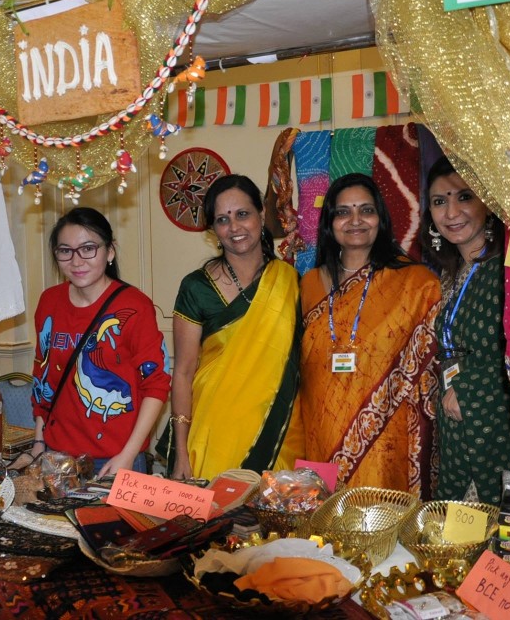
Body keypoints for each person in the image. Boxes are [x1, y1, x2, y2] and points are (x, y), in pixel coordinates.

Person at [300, 173, 440, 497]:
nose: (355, 221)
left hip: (387, 440)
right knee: (325, 521)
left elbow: (430, 371)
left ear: (381, 218)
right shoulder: (309, 284)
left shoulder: (416, 283)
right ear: (329, 223)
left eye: (366, 210)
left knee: (382, 521)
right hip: (319, 432)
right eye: (343, 212)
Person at [159, 174, 304, 480]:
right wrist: (181, 450)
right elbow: (183, 372)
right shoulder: (196, 287)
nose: (234, 227)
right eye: (222, 219)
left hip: (278, 433)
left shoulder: (290, 281)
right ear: (213, 229)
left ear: (261, 215)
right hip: (212, 435)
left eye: (242, 214)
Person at [25, 207, 169, 479]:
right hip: (57, 456)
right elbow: (43, 375)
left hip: (115, 458)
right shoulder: (49, 302)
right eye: (65, 251)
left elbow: (156, 385)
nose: (76, 261)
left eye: (88, 249)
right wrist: (39, 442)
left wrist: (128, 455)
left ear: (109, 251)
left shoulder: (134, 306)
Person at [424, 157, 510, 504]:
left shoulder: (509, 270)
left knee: (503, 522)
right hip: (457, 427)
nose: (451, 212)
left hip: (497, 426)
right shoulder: (450, 275)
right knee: (457, 526)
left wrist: (468, 387)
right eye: (439, 201)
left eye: (464, 197)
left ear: (488, 203)